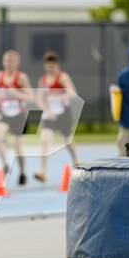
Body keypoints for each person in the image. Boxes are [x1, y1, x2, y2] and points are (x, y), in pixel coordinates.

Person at [34, 51, 79, 183]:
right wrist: (47, 109)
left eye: (52, 65)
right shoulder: (42, 80)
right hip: (50, 115)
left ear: (57, 65)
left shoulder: (62, 77)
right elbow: (39, 99)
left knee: (67, 141)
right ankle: (42, 172)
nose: (50, 68)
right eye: (48, 66)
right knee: (44, 140)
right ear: (45, 66)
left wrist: (58, 97)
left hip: (63, 114)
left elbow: (72, 93)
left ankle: (76, 160)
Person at [0, 50, 33, 185]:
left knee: (17, 146)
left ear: (17, 63)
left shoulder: (21, 78)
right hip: (4, 114)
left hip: (18, 115)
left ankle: (22, 172)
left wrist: (16, 93)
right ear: (3, 62)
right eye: (6, 61)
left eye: (11, 61)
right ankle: (5, 164)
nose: (8, 64)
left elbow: (30, 96)